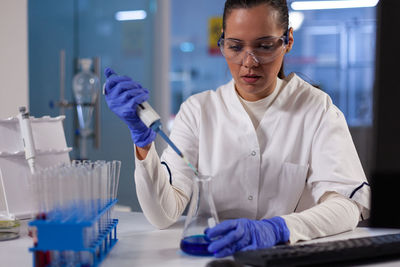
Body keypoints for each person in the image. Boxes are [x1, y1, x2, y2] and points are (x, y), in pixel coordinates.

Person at [104, 0, 370, 258]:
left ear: (287, 41)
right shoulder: (198, 111)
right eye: (235, 46)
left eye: (264, 46)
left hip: (286, 258)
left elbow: (348, 206)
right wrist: (143, 145)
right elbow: (163, 214)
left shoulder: (317, 110)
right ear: (222, 43)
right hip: (213, 258)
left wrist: (279, 229)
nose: (249, 61)